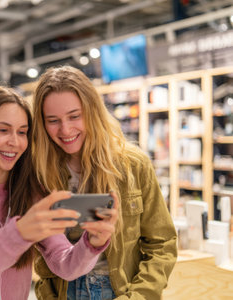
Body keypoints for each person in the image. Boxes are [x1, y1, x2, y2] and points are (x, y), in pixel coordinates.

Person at [0, 85, 119, 300]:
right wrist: (20, 232)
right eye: (2, 130)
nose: (15, 142)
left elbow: (65, 265)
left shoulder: (29, 192)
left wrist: (91, 243)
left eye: (22, 132)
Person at [31, 65, 178, 300]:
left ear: (92, 111)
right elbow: (44, 251)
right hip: (64, 292)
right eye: (53, 120)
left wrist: (139, 296)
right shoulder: (39, 172)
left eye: (74, 116)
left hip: (120, 291)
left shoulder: (132, 164)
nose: (65, 129)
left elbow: (162, 244)